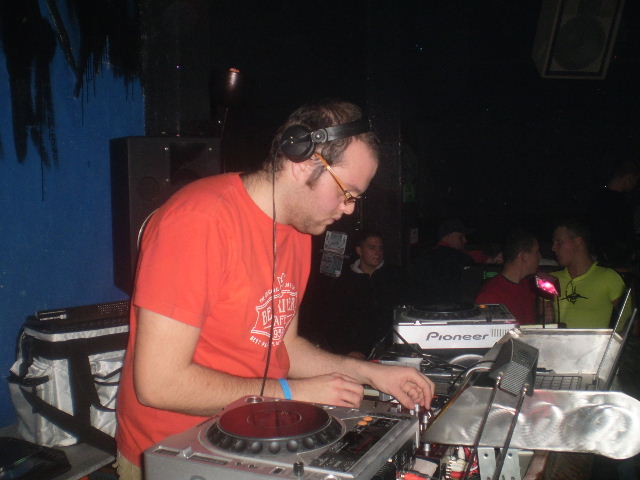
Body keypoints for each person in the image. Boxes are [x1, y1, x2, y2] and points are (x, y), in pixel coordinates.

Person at [115, 100, 434, 478]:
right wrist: (294, 393)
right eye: (346, 192)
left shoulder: (298, 231)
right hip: (175, 452)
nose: (349, 209)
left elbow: (284, 346)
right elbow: (159, 385)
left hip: (251, 438)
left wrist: (367, 373)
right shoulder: (197, 221)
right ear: (303, 163)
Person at [326, 231, 405, 357]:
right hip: (356, 352)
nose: (377, 253)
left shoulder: (394, 276)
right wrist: (348, 350)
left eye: (380, 248)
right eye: (372, 248)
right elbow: (334, 320)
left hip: (391, 350)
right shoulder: (344, 281)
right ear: (359, 250)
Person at [550, 219, 626, 328]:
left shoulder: (608, 277)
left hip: (597, 339)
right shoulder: (552, 279)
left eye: (559, 242)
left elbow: (628, 323)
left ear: (578, 242)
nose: (553, 248)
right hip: (556, 339)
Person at [475, 229, 541, 324]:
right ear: (524, 256)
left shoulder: (529, 286)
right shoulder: (490, 296)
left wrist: (543, 317)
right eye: (537, 252)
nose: (540, 257)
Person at [590, 160, 640, 269]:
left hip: (603, 254)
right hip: (616, 257)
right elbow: (624, 230)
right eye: (635, 180)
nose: (635, 185)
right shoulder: (621, 203)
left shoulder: (597, 198)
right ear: (629, 177)